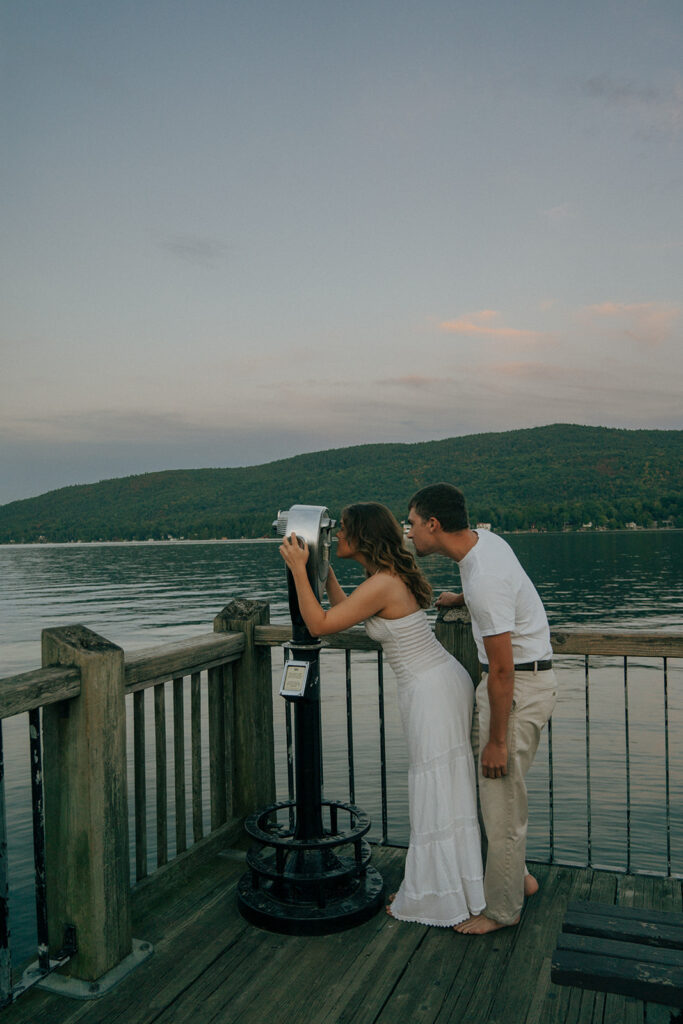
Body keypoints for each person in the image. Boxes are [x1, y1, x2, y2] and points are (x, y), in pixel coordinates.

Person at [279, 501, 485, 928]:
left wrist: (300, 570)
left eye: (343, 531)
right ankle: (457, 885)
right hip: (437, 683)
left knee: (437, 790)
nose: (336, 537)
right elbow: (342, 612)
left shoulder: (383, 583)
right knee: (446, 788)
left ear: (363, 536)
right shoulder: (383, 580)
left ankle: (440, 897)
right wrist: (323, 570)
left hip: (431, 691)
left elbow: (317, 624)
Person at [406, 483, 557, 935]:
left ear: (434, 524)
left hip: (515, 690)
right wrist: (461, 599)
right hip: (523, 684)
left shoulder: (485, 577)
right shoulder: (483, 547)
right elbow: (493, 596)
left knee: (501, 803)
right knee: (502, 798)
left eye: (412, 524)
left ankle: (502, 911)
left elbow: (503, 671)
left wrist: (495, 739)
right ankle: (521, 879)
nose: (409, 533)